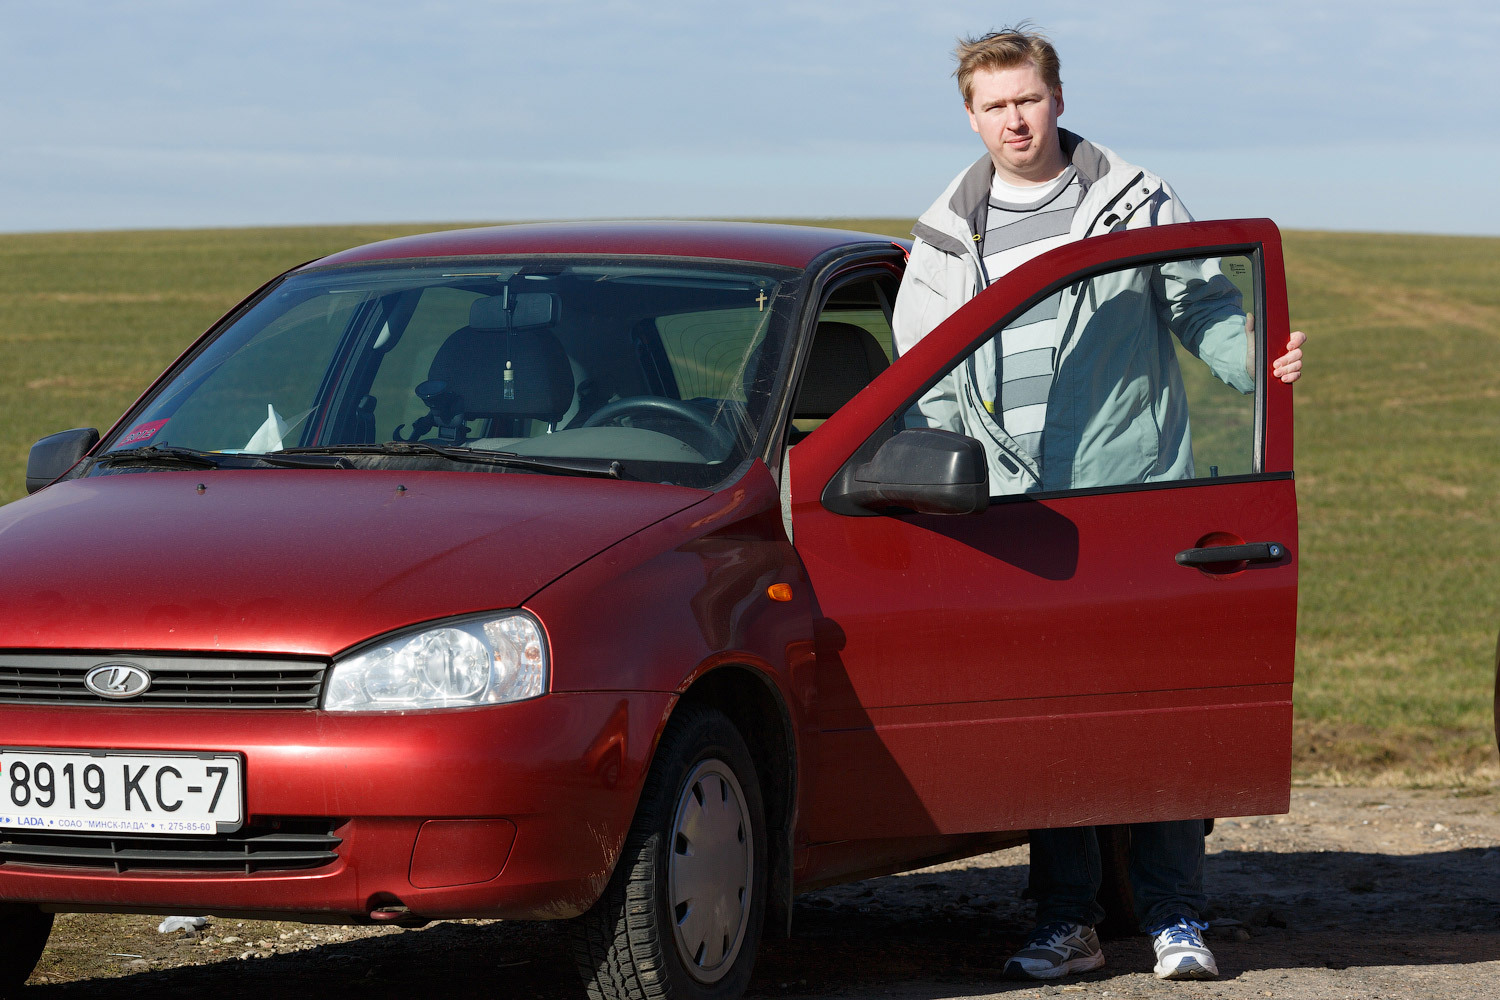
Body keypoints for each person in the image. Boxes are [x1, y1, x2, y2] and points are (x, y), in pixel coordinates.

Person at [890, 26, 1306, 982]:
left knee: (1152, 712)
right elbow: (925, 374)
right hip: (1019, 511)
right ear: (971, 116)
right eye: (994, 106)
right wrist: (958, 490)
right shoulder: (948, 235)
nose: (1014, 120)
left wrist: (1261, 366)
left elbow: (1202, 305)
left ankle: (1176, 919)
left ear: (1058, 98)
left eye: (1027, 99)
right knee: (1054, 719)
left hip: (1136, 499)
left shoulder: (1136, 200)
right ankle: (1066, 923)